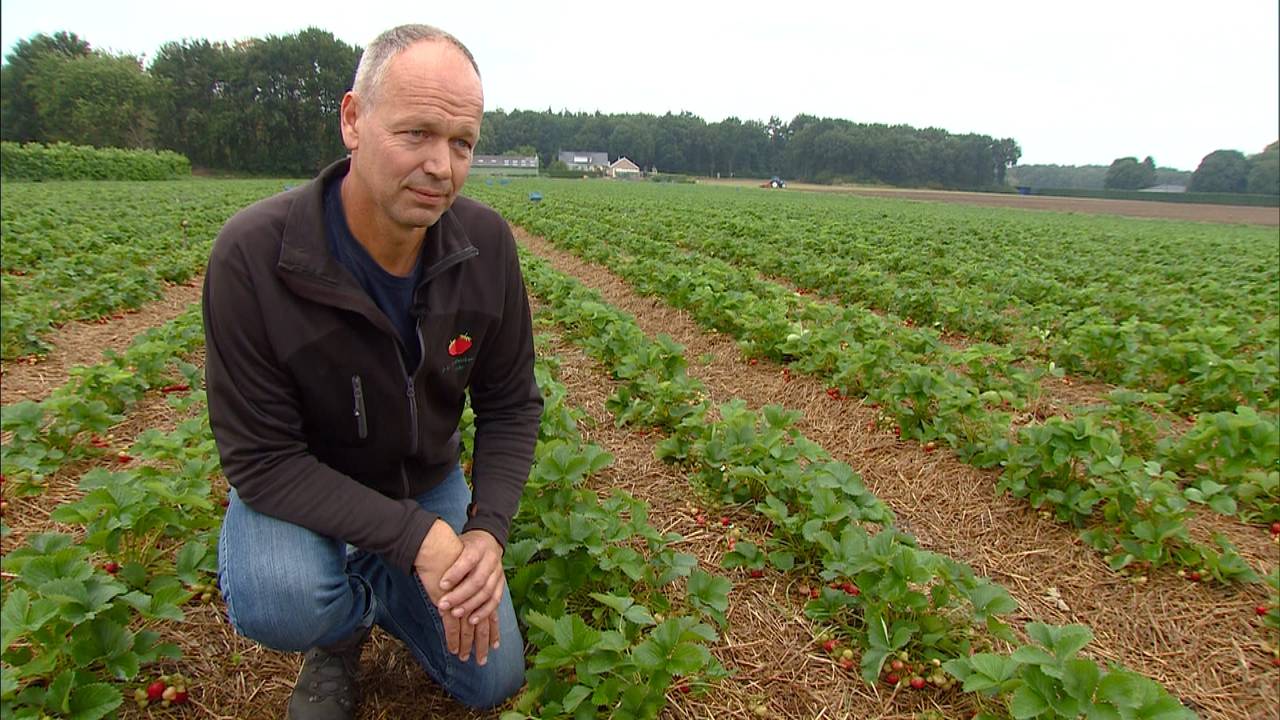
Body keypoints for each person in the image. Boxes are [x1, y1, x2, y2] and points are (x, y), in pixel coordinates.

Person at [201, 24, 542, 720]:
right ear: (353, 120)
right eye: (416, 133)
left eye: (462, 143)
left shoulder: (486, 246)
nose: (441, 166)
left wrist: (485, 531)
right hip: (300, 485)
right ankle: (339, 632)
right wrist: (417, 539)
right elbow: (261, 460)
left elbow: (510, 404)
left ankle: (382, 580)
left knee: (493, 680)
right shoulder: (253, 256)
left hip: (425, 481)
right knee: (283, 597)